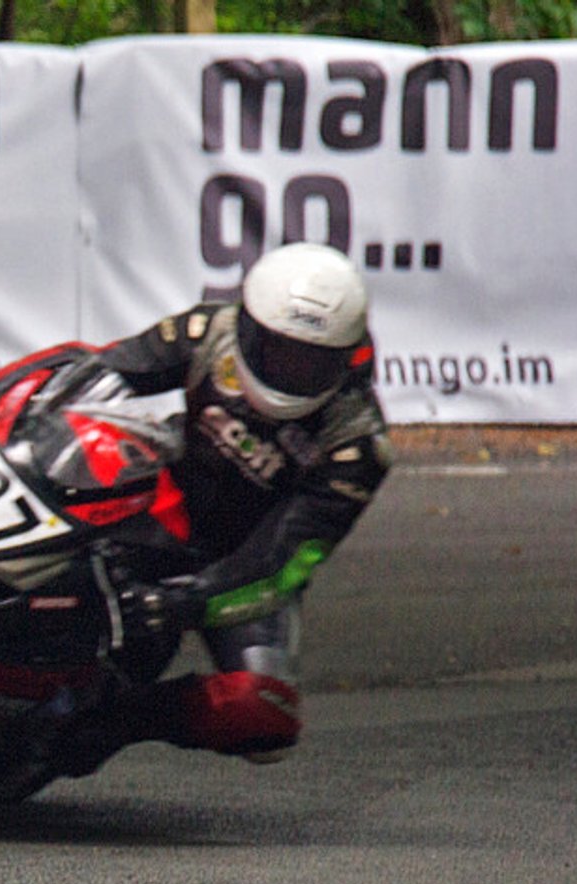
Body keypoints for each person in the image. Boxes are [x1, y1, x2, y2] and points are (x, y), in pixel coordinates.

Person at [53, 240, 391, 775]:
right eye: (279, 350)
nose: (289, 370)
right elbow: (104, 369)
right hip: (156, 512)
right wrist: (1, 394)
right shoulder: (210, 332)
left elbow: (285, 563)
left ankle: (124, 718)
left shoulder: (354, 446)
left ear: (345, 358)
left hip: (241, 569)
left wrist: (188, 601)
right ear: (250, 329)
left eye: (311, 360)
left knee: (263, 715)